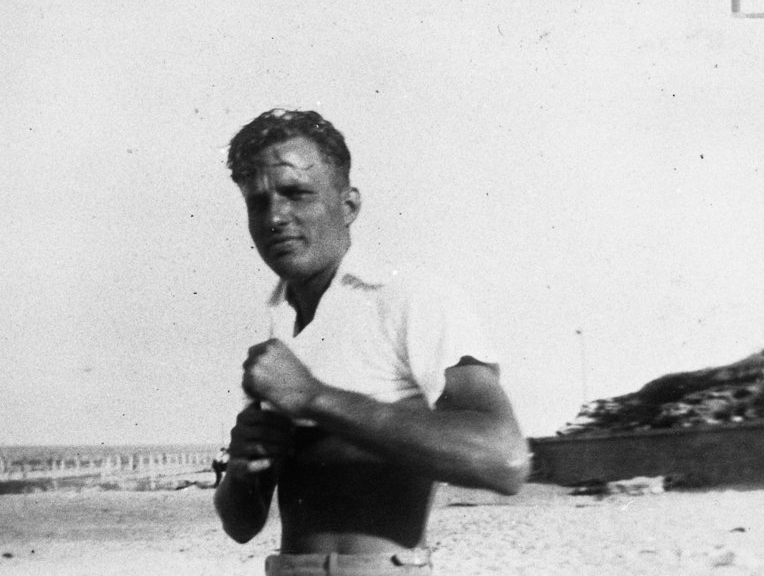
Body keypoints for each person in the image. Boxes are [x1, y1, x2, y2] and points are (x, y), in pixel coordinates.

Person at [213, 109, 531, 575]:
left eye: (297, 193)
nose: (276, 216)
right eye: (257, 202)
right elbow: (242, 525)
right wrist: (243, 467)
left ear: (348, 206)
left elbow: (504, 459)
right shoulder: (276, 329)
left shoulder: (408, 297)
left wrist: (314, 397)